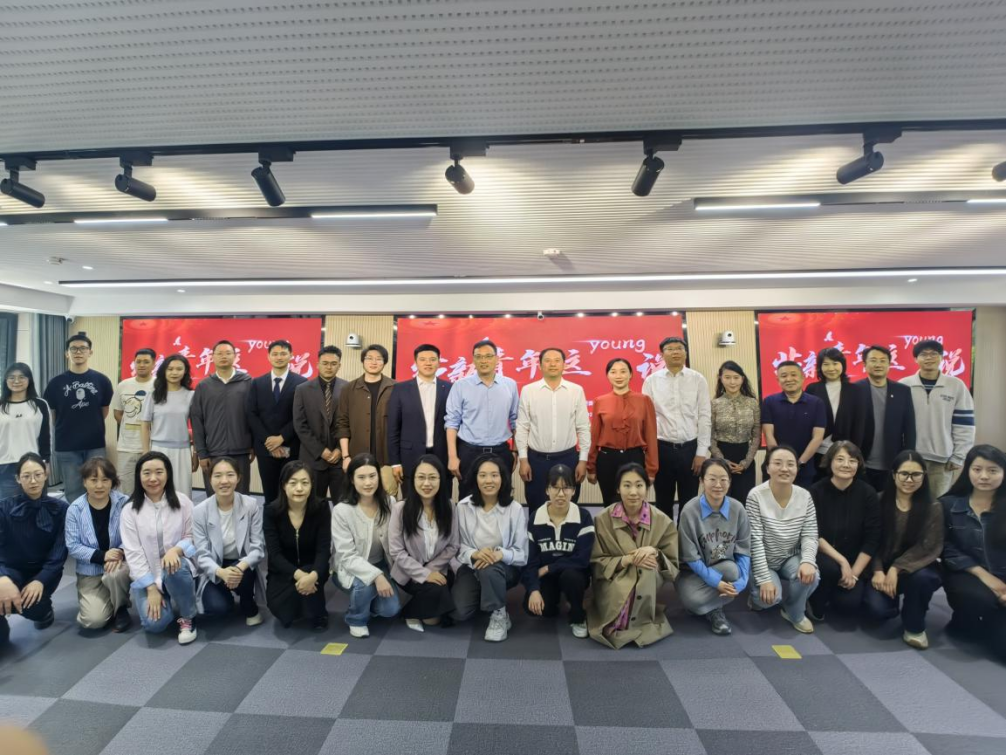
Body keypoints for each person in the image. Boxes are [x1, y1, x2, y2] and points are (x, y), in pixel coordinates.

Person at [587, 462, 679, 648]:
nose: (633, 492)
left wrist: (655, 552)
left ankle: (635, 621)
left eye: (639, 485)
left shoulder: (662, 520)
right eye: (627, 485)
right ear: (618, 489)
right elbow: (595, 563)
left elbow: (673, 566)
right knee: (628, 579)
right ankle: (621, 619)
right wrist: (626, 560)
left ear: (647, 488)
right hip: (614, 577)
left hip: (649, 577)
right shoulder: (602, 520)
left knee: (647, 567)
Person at [863, 450, 943, 649]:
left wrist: (896, 568)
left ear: (924, 476)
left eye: (916, 474)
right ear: (893, 475)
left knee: (924, 579)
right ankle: (892, 604)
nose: (909, 480)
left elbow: (928, 546)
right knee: (877, 611)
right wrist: (878, 570)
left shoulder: (933, 507)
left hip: (915, 568)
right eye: (904, 474)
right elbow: (871, 540)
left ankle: (914, 626)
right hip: (881, 568)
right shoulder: (879, 501)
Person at [119, 451, 199, 644]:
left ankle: (187, 617)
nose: (153, 478)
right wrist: (151, 588)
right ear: (139, 476)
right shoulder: (129, 510)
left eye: (159, 472)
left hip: (177, 569)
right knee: (155, 624)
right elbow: (133, 553)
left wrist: (176, 550)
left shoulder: (183, 502)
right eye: (146, 473)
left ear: (168, 474)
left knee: (174, 567)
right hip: (148, 575)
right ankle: (173, 600)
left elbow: (192, 536)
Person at [939, 444, 1005, 662]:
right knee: (979, 600)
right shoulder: (947, 505)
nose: (984, 476)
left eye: (992, 470)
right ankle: (968, 621)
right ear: (967, 470)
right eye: (977, 469)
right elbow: (946, 548)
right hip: (968, 575)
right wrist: (987, 578)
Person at [451, 454, 528, 642]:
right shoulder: (463, 507)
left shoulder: (515, 509)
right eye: (483, 475)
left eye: (494, 475)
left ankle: (499, 614)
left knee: (490, 570)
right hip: (472, 566)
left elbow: (522, 554)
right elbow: (458, 547)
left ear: (503, 478)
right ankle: (490, 594)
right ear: (475, 478)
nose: (488, 481)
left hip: (505, 569)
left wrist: (500, 554)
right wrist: (476, 554)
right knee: (459, 612)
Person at [746, 445, 820, 634]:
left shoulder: (804, 496)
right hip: (764, 559)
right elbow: (755, 541)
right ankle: (756, 595)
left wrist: (808, 561)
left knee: (812, 576)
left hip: (790, 557)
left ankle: (794, 611)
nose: (784, 469)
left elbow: (810, 534)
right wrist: (764, 579)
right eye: (778, 463)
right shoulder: (756, 496)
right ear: (767, 468)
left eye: (790, 464)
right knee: (767, 599)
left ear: (797, 468)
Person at [807, 442, 881, 622]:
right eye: (840, 459)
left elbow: (872, 538)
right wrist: (842, 562)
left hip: (855, 559)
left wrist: (854, 573)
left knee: (848, 605)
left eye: (852, 460)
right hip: (823, 555)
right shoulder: (816, 491)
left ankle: (834, 590)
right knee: (830, 570)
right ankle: (815, 596)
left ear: (859, 464)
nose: (846, 465)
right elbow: (814, 533)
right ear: (830, 461)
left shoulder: (868, 493)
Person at [677, 458, 751, 636]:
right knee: (691, 601)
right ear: (702, 481)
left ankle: (712, 610)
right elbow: (690, 557)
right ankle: (713, 607)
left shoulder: (738, 509)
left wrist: (743, 581)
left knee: (734, 572)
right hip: (692, 573)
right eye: (712, 479)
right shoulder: (690, 510)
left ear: (730, 482)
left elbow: (744, 549)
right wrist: (716, 582)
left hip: (723, 567)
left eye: (723, 479)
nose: (718, 485)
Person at [332, 452, 401, 638]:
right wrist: (376, 576)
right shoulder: (342, 510)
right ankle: (356, 619)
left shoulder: (389, 502)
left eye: (372, 476)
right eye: (361, 477)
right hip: (349, 568)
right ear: (352, 480)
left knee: (390, 609)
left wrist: (382, 572)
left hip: (380, 564)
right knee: (366, 585)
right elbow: (347, 556)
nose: (368, 482)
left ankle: (364, 600)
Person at [642, 337, 712, 521]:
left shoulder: (697, 379)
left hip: (690, 449)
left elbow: (705, 416)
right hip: (662, 449)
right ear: (662, 354)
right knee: (663, 501)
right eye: (670, 349)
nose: (675, 352)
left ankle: (685, 537)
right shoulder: (651, 381)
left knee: (689, 502)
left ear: (685, 353)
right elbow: (646, 420)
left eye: (679, 348)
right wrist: (649, 454)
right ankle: (665, 538)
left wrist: (701, 452)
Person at [0, 453, 67, 643]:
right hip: (9, 570)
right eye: (26, 476)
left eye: (38, 474)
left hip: (42, 572)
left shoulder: (61, 509)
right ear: (17, 479)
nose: (33, 481)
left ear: (46, 474)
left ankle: (43, 611)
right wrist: (2, 577)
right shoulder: (4, 508)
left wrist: (40, 580)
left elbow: (59, 553)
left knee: (35, 607)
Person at [523, 464, 595, 638]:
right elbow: (530, 560)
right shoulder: (535, 517)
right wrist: (533, 589)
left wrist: (549, 567)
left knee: (571, 577)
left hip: (574, 573)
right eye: (555, 487)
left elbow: (582, 559)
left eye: (566, 488)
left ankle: (577, 615)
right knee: (536, 609)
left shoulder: (583, 517)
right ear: (547, 490)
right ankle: (555, 600)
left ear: (574, 491)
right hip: (547, 577)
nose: (561, 494)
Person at [388, 455, 459, 632]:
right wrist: (425, 574)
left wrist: (432, 570)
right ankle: (413, 611)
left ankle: (412, 610)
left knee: (433, 619)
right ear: (413, 480)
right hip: (409, 574)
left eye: (433, 477)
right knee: (435, 610)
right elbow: (396, 551)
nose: (427, 483)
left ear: (441, 480)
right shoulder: (400, 509)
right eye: (421, 477)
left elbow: (453, 545)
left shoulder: (449, 506)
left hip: (439, 569)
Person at [516, 348, 592, 511]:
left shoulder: (576, 390)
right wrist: (523, 460)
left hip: (568, 458)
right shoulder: (529, 391)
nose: (552, 364)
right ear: (540, 365)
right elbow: (522, 427)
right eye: (547, 360)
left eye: (557, 360)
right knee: (536, 508)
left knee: (568, 508)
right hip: (536, 461)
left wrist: (583, 460)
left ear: (564, 364)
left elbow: (583, 427)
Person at [192, 457, 264, 626]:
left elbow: (258, 548)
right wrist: (221, 572)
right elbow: (202, 554)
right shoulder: (200, 511)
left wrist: (238, 568)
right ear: (210, 479)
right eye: (217, 476)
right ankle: (225, 595)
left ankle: (248, 602)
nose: (224, 481)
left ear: (238, 478)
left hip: (242, 564)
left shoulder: (250, 505)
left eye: (230, 475)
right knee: (217, 608)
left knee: (245, 571)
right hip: (215, 566)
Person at [43, 334, 114, 504]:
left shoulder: (102, 381)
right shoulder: (55, 383)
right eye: (73, 349)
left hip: (95, 444)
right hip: (66, 446)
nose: (78, 352)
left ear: (90, 352)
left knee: (97, 485)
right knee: (73, 489)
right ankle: (76, 519)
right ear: (67, 354)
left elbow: (104, 411)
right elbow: (52, 415)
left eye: (83, 348)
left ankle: (96, 517)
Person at [900, 339, 975, 498]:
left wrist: (959, 455)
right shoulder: (904, 385)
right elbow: (896, 424)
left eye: (934, 354)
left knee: (938, 503)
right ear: (915, 359)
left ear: (941, 357)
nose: (929, 357)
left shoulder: (956, 385)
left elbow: (964, 424)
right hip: (910, 457)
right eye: (923, 354)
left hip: (942, 460)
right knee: (907, 501)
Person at [445, 340, 520, 500]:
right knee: (468, 500)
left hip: (500, 451)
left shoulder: (510, 385)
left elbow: (515, 421)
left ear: (497, 359)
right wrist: (452, 456)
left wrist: (515, 451)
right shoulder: (460, 386)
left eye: (488, 356)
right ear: (473, 359)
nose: (483, 360)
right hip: (469, 452)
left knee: (502, 499)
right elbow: (452, 423)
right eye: (479, 357)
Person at [64, 457, 132, 632]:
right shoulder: (75, 510)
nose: (99, 485)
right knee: (93, 621)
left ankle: (120, 608)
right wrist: (103, 556)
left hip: (118, 564)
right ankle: (109, 600)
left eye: (105, 480)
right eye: (93, 480)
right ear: (84, 482)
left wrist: (118, 552)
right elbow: (73, 545)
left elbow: (133, 535)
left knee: (115, 575)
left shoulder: (123, 502)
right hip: (90, 570)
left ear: (112, 482)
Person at [262, 461, 331, 630]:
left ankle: (318, 612)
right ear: (284, 485)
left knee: (310, 605)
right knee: (280, 609)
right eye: (293, 483)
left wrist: (313, 575)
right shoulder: (271, 511)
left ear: (312, 485)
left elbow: (323, 550)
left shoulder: (321, 508)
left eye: (305, 483)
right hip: (283, 570)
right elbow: (274, 554)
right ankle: (306, 602)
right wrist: (301, 576)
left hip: (313, 568)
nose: (299, 488)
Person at [586, 358, 659, 506]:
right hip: (607, 459)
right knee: (610, 504)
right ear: (607, 375)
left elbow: (651, 436)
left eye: (623, 371)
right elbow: (594, 437)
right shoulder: (600, 401)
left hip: (634, 457)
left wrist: (651, 469)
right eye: (613, 372)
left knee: (634, 502)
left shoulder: (644, 400)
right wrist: (591, 467)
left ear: (631, 374)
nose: (618, 376)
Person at [246, 339, 308, 505]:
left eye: (283, 353)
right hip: (265, 448)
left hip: (292, 446)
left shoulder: (302, 383)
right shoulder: (257, 383)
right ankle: (270, 522)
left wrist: (281, 438)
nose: (279, 357)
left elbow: (301, 415)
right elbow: (252, 414)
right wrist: (269, 441)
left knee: (292, 493)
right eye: (275, 354)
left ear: (291, 355)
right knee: (270, 494)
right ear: (268, 357)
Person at [190, 340, 253, 495]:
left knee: (240, 496)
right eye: (219, 353)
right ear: (212, 357)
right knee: (215, 496)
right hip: (212, 451)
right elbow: (197, 421)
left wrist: (253, 446)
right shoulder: (204, 386)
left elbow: (254, 416)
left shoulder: (247, 382)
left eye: (228, 353)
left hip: (241, 450)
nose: (224, 356)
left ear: (235, 356)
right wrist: (201, 452)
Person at [387, 344, 452, 492]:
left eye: (432, 359)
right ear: (415, 362)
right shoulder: (400, 389)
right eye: (423, 359)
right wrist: (395, 462)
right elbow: (393, 428)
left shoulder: (450, 388)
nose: (428, 363)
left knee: (442, 500)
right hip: (409, 456)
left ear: (439, 362)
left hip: (442, 455)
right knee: (411, 500)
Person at [336, 344, 397, 498]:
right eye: (369, 358)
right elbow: (342, 423)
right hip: (357, 457)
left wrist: (398, 460)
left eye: (378, 359)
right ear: (363, 361)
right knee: (358, 500)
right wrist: (346, 457)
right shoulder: (348, 389)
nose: (373, 362)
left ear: (385, 362)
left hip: (387, 459)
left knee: (388, 500)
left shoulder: (396, 387)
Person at [806, 348, 872, 480]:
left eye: (835, 363)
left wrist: (855, 452)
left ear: (843, 365)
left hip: (846, 452)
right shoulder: (812, 389)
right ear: (820, 367)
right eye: (826, 364)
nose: (831, 368)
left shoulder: (856, 390)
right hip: (817, 452)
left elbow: (860, 423)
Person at [293, 346, 348, 503]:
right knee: (313, 505)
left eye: (333, 363)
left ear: (339, 365)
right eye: (325, 363)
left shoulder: (348, 388)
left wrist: (340, 450)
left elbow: (351, 422)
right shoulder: (302, 389)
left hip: (340, 460)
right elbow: (300, 424)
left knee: (343, 505)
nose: (329, 367)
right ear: (317, 364)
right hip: (313, 458)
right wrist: (320, 450)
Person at [858, 345, 916, 492]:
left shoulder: (902, 391)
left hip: (892, 462)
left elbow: (909, 427)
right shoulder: (855, 389)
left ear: (889, 364)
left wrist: (908, 458)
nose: (878, 364)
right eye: (873, 360)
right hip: (861, 462)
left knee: (889, 501)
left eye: (883, 360)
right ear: (864, 364)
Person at [762, 361, 827, 488]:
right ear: (778, 380)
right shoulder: (769, 402)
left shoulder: (816, 403)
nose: (789, 379)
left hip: (805, 468)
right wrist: (780, 463)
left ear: (803, 377)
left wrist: (799, 463)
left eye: (793, 375)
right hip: (775, 468)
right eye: (784, 376)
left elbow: (817, 437)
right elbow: (768, 435)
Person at [140, 354, 196, 499]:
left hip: (182, 451)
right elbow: (145, 425)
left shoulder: (191, 395)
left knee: (182, 493)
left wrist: (195, 453)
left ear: (185, 371)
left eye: (179, 369)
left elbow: (197, 427)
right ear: (163, 371)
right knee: (158, 491)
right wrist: (146, 453)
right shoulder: (153, 395)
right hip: (158, 449)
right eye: (170, 369)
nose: (174, 372)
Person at [709, 361, 760, 503]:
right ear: (721, 379)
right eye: (727, 377)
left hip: (745, 457)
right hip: (720, 457)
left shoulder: (752, 403)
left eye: (736, 377)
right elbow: (709, 437)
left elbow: (756, 435)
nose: (732, 382)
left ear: (742, 379)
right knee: (720, 500)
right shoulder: (714, 404)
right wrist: (722, 460)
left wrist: (746, 462)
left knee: (744, 501)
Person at [1, 363, 50, 500]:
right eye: (11, 377)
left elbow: (46, 436)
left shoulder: (40, 404)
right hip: (4, 465)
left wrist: (46, 462)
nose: (16, 381)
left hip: (33, 463)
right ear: (6, 380)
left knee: (37, 505)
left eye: (22, 377)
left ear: (29, 379)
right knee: (8, 507)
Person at [111, 348, 156, 495]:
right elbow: (117, 414)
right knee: (125, 488)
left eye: (146, 362)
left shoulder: (159, 385)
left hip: (153, 445)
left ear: (154, 364)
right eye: (138, 361)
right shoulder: (123, 385)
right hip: (127, 446)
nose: (142, 365)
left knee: (151, 486)